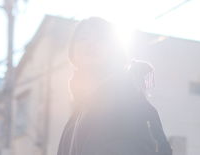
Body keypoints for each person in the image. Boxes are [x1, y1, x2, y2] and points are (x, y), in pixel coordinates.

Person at [57, 17, 173, 155]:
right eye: (83, 38)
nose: (90, 44)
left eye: (100, 38)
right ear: (73, 55)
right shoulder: (77, 115)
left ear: (115, 51)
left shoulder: (129, 100)